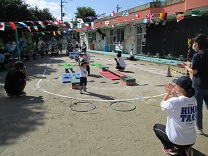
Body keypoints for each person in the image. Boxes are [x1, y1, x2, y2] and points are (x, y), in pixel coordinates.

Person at [153, 76, 197, 156]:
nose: (175, 85)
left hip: (177, 139)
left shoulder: (175, 102)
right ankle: (186, 148)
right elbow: (180, 103)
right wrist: (174, 93)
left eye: (176, 84)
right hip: (192, 138)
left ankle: (169, 148)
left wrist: (168, 93)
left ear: (179, 87)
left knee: (156, 127)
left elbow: (162, 105)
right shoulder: (194, 100)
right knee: (184, 134)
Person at [177, 34, 208, 135]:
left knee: (198, 108)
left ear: (198, 43)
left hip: (199, 86)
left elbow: (194, 71)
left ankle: (199, 128)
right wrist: (189, 64)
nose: (194, 44)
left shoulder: (197, 55)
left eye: (195, 42)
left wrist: (185, 67)